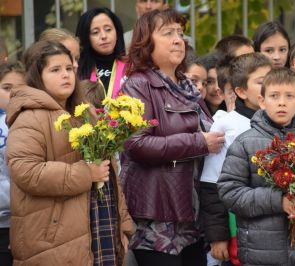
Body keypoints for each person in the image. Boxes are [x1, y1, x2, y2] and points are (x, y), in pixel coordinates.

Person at [6, 40, 134, 265]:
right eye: (55, 70)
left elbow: (110, 170)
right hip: (53, 241)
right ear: (37, 75)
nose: (65, 75)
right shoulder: (29, 117)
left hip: (100, 226)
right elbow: (26, 171)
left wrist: (123, 225)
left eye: (69, 68)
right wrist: (86, 174)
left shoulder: (85, 112)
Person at [120, 8, 225, 266]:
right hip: (157, 216)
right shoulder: (137, 85)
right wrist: (198, 143)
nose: (179, 39)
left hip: (192, 211)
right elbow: (136, 144)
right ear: (146, 42)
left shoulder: (187, 86)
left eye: (180, 32)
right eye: (168, 33)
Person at [217, 68, 295, 265]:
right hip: (260, 255)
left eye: (289, 96)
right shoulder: (245, 143)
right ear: (262, 101)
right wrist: (278, 201)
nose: (282, 102)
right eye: (274, 96)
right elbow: (230, 192)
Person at [200, 52, 272, 266]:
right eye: (261, 82)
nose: (269, 87)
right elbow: (211, 183)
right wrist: (218, 236)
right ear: (240, 91)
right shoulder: (227, 124)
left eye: (271, 79)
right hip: (238, 230)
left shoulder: (284, 121)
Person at [0, 61, 25, 266]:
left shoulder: (32, 121)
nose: (13, 94)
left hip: (22, 222)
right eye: (7, 88)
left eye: (19, 89)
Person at [76, 7, 126, 99]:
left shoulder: (131, 67)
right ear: (86, 38)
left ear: (117, 32)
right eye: (95, 32)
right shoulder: (76, 70)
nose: (103, 36)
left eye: (108, 29)